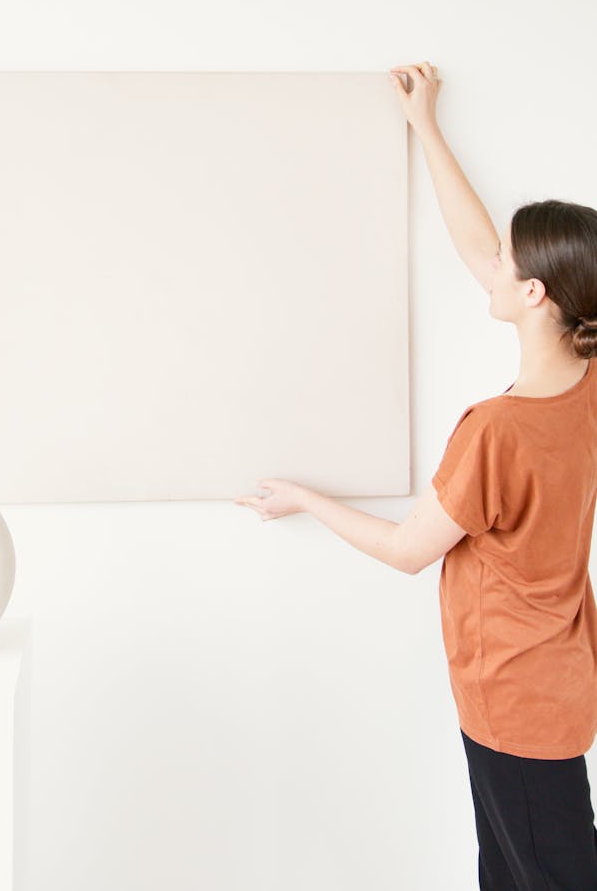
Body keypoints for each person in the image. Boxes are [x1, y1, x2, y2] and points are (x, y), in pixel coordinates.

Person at [235, 60, 597, 890]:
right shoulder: (585, 375)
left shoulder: (498, 432)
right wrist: (425, 125)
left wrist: (304, 495)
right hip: (548, 686)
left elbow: (407, 549)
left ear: (536, 293)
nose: (491, 265)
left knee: (541, 873)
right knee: (512, 870)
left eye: (508, 264)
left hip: (517, 700)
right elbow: (480, 245)